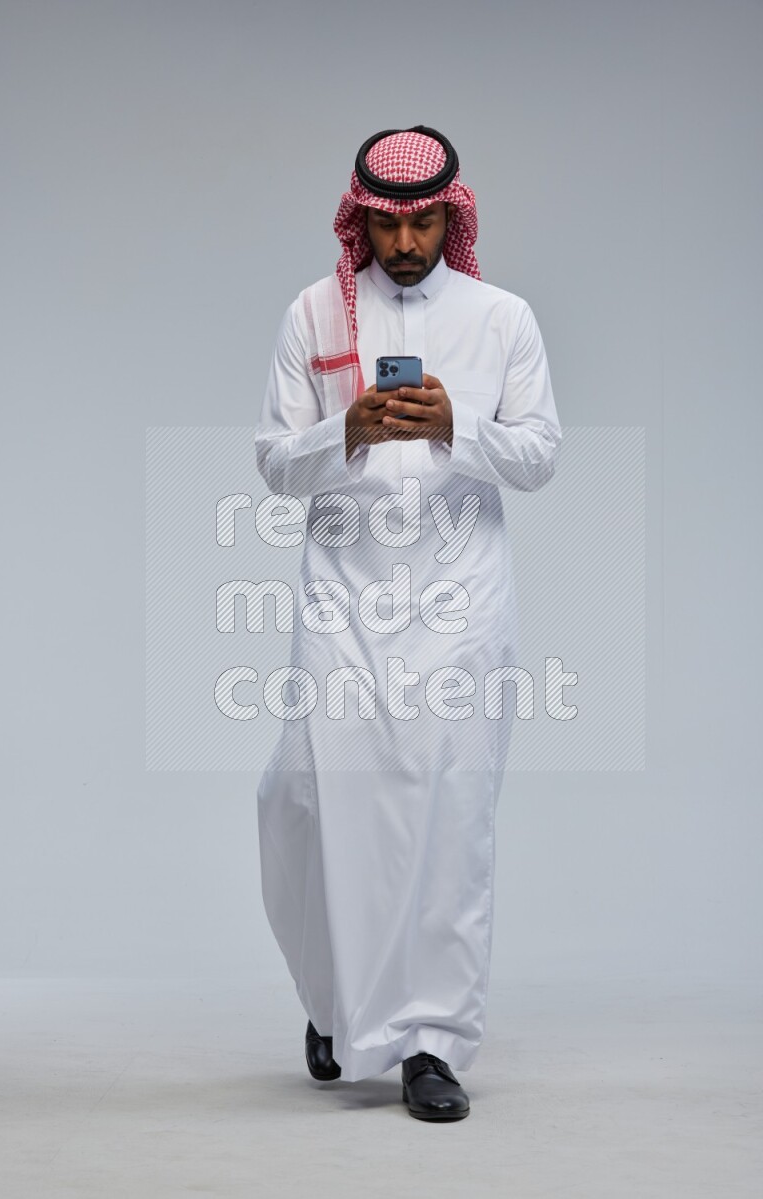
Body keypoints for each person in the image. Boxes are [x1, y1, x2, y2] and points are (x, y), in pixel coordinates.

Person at [253, 125, 561, 1121]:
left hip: (457, 603)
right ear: (362, 220)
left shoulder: (501, 317)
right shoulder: (312, 312)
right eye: (388, 225)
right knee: (308, 797)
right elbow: (271, 461)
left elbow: (539, 454)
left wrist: (453, 428)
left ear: (451, 214)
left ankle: (430, 1041)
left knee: (445, 818)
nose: (405, 242)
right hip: (342, 594)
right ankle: (333, 1002)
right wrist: (338, 431)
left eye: (425, 221)